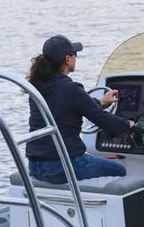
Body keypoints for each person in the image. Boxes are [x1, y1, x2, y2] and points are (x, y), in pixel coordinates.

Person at [25, 35, 134, 184]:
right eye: (74, 54)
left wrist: (101, 102)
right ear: (67, 59)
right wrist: (130, 124)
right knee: (121, 170)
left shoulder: (37, 86)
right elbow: (103, 120)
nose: (76, 57)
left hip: (36, 167)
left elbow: (66, 106)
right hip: (63, 167)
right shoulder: (71, 88)